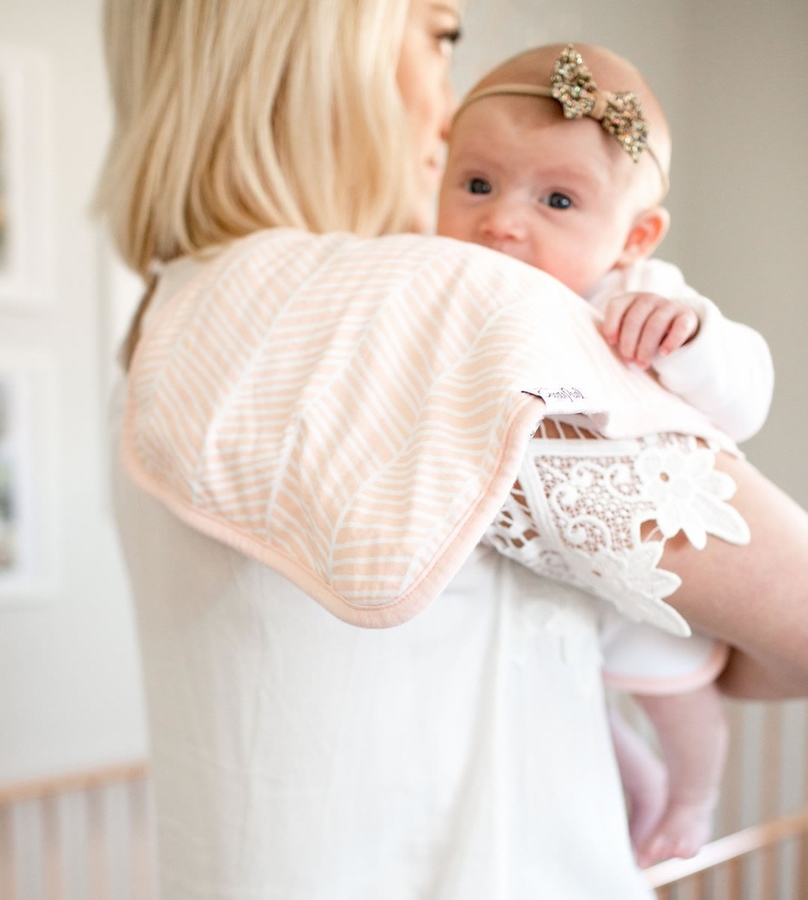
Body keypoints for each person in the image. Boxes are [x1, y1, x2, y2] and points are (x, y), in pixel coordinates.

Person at [95, 2, 808, 898]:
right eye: (441, 38)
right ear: (330, 51)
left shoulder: (163, 327)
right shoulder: (444, 304)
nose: (447, 97)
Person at [436, 42, 774, 867]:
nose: (502, 220)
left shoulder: (641, 296)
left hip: (639, 554)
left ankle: (691, 796)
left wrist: (692, 339)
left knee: (677, 693)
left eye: (557, 199)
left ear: (634, 237)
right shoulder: (448, 283)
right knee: (564, 700)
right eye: (476, 184)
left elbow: (747, 397)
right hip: (525, 556)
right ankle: (640, 785)